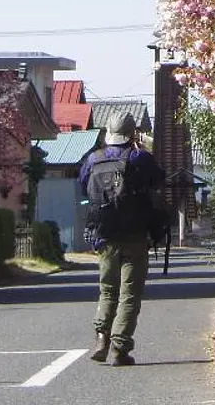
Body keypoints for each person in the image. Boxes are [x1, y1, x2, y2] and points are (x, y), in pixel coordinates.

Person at [79, 112, 164, 366]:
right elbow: (159, 180)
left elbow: (84, 186)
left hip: (104, 236)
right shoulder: (140, 157)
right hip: (136, 236)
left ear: (108, 133)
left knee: (107, 290)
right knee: (129, 294)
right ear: (132, 133)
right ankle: (119, 348)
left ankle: (101, 339)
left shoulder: (93, 159)